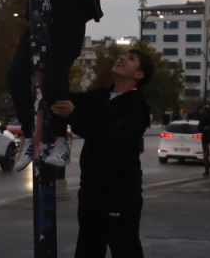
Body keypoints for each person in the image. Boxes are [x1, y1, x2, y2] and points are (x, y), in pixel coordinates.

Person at [8, 0, 124, 171]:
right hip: (38, 21)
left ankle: (60, 140)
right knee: (15, 77)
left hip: (70, 23)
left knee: (54, 83)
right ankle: (28, 137)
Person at [49, 47, 152, 258]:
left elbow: (109, 136)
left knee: (124, 247)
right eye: (123, 55)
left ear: (138, 75)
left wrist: (74, 115)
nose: (122, 58)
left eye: (130, 59)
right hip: (91, 189)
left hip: (120, 192)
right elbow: (71, 99)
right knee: (88, 247)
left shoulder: (135, 106)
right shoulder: (103, 96)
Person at [198, 105, 210, 177]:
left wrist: (209, 128)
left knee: (209, 153)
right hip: (206, 137)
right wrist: (204, 128)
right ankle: (207, 168)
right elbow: (199, 127)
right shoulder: (204, 117)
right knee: (207, 153)